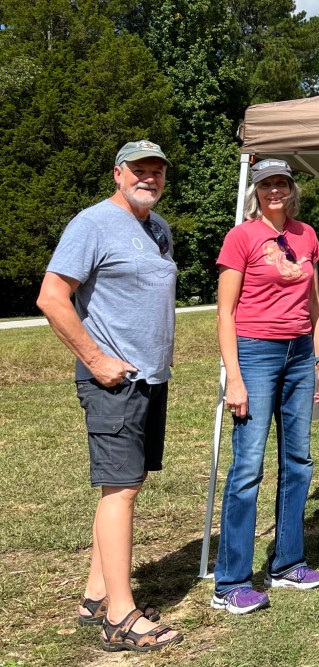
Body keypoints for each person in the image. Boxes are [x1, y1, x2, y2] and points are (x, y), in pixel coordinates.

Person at [36, 140, 183, 652]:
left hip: (150, 378)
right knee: (119, 490)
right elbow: (52, 297)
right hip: (113, 381)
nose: (149, 178)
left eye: (156, 171)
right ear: (118, 174)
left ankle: (97, 595)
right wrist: (97, 361)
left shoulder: (158, 228)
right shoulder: (92, 224)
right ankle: (120, 616)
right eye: (139, 169)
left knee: (128, 484)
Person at [212, 158, 319, 614]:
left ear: (292, 189)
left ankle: (288, 563)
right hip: (255, 353)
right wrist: (235, 378)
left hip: (300, 354)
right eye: (266, 185)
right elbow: (225, 313)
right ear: (256, 192)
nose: (275, 191)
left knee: (298, 462)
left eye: (282, 183)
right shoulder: (241, 237)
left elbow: (314, 305)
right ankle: (230, 583)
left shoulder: (306, 235)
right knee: (248, 468)